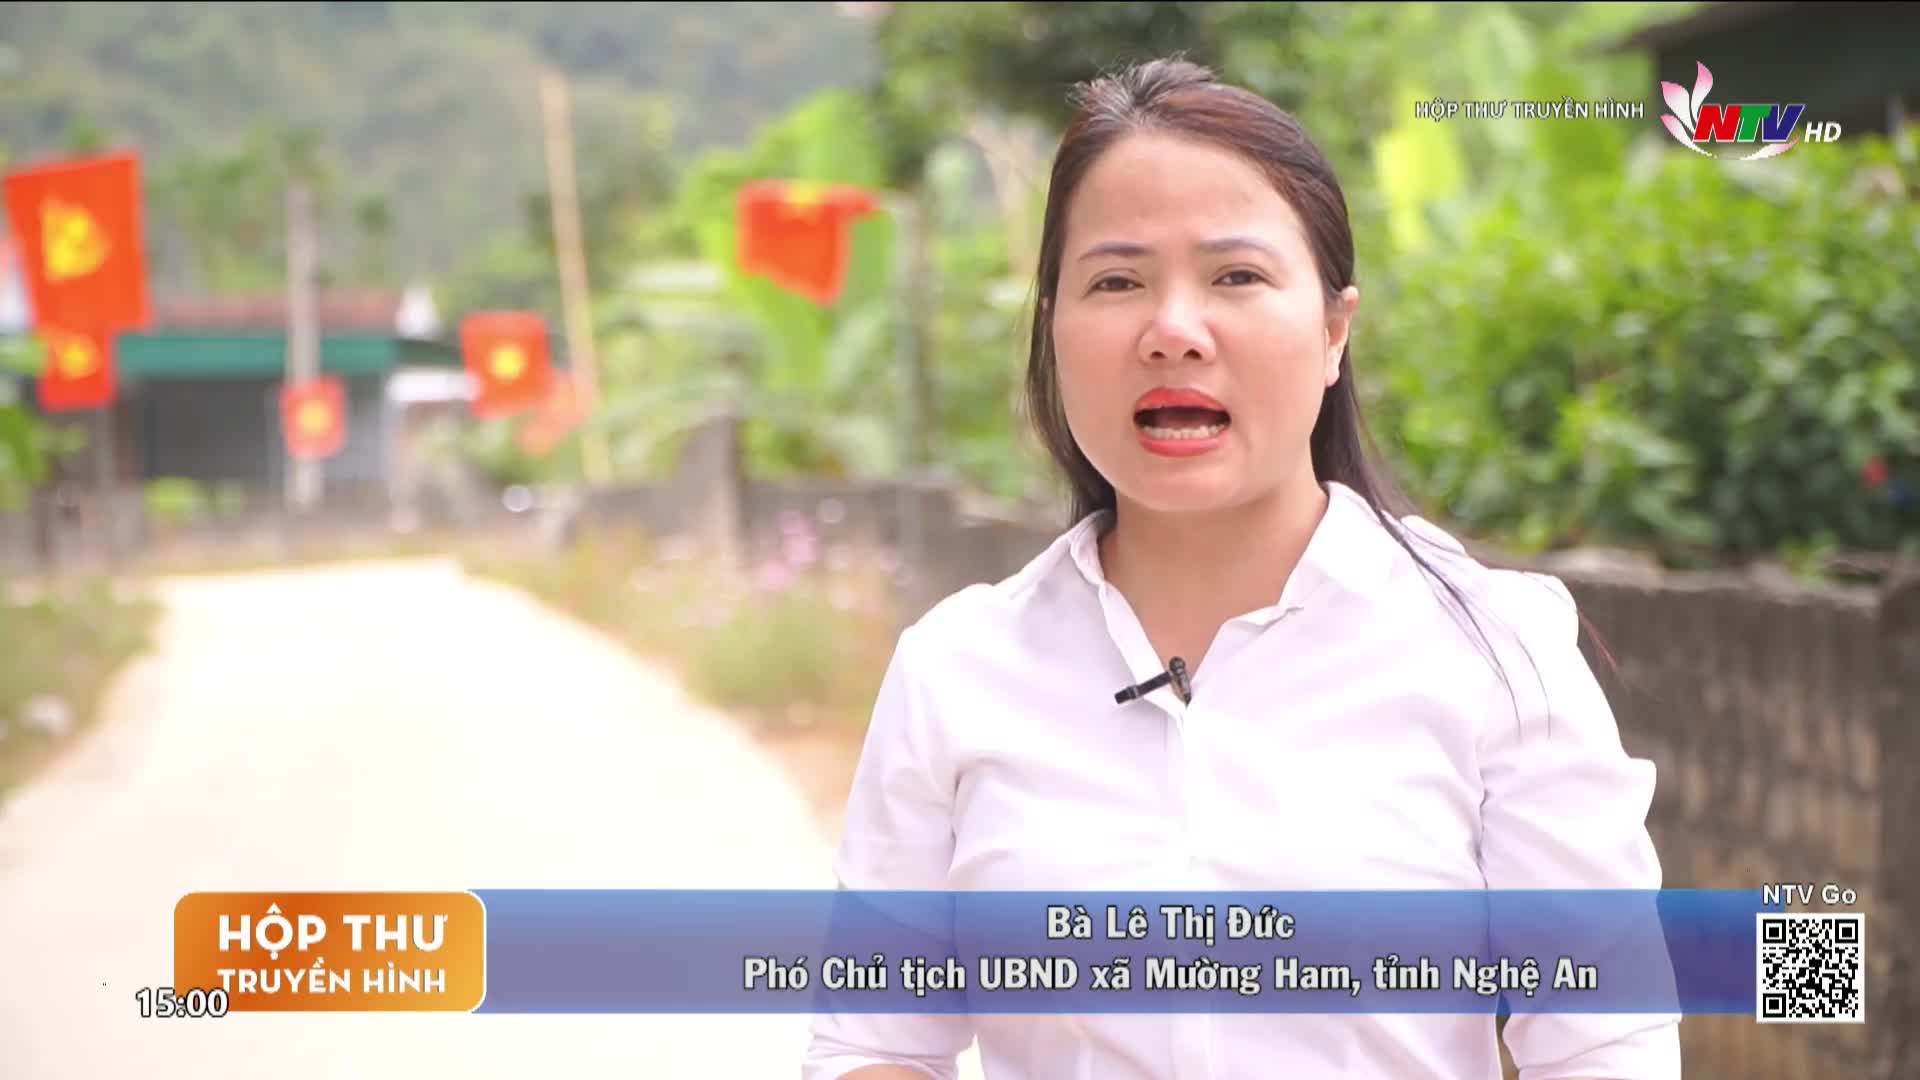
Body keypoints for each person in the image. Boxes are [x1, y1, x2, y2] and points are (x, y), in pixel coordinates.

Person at [804, 57, 1678, 1080]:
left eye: (1237, 277)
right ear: (1052, 329)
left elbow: (1603, 1042)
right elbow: (875, 1043)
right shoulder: (956, 669)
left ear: (1334, 331)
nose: (1173, 331)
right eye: (1116, 281)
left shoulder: (1494, 652)